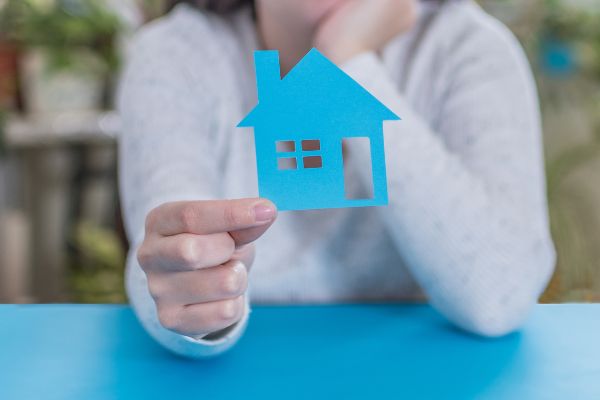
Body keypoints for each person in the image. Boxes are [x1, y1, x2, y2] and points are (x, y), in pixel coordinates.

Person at [118, 0, 556, 358]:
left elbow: (499, 292)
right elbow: (163, 259)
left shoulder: (469, 49)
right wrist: (195, 300)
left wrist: (346, 61)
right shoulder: (175, 53)